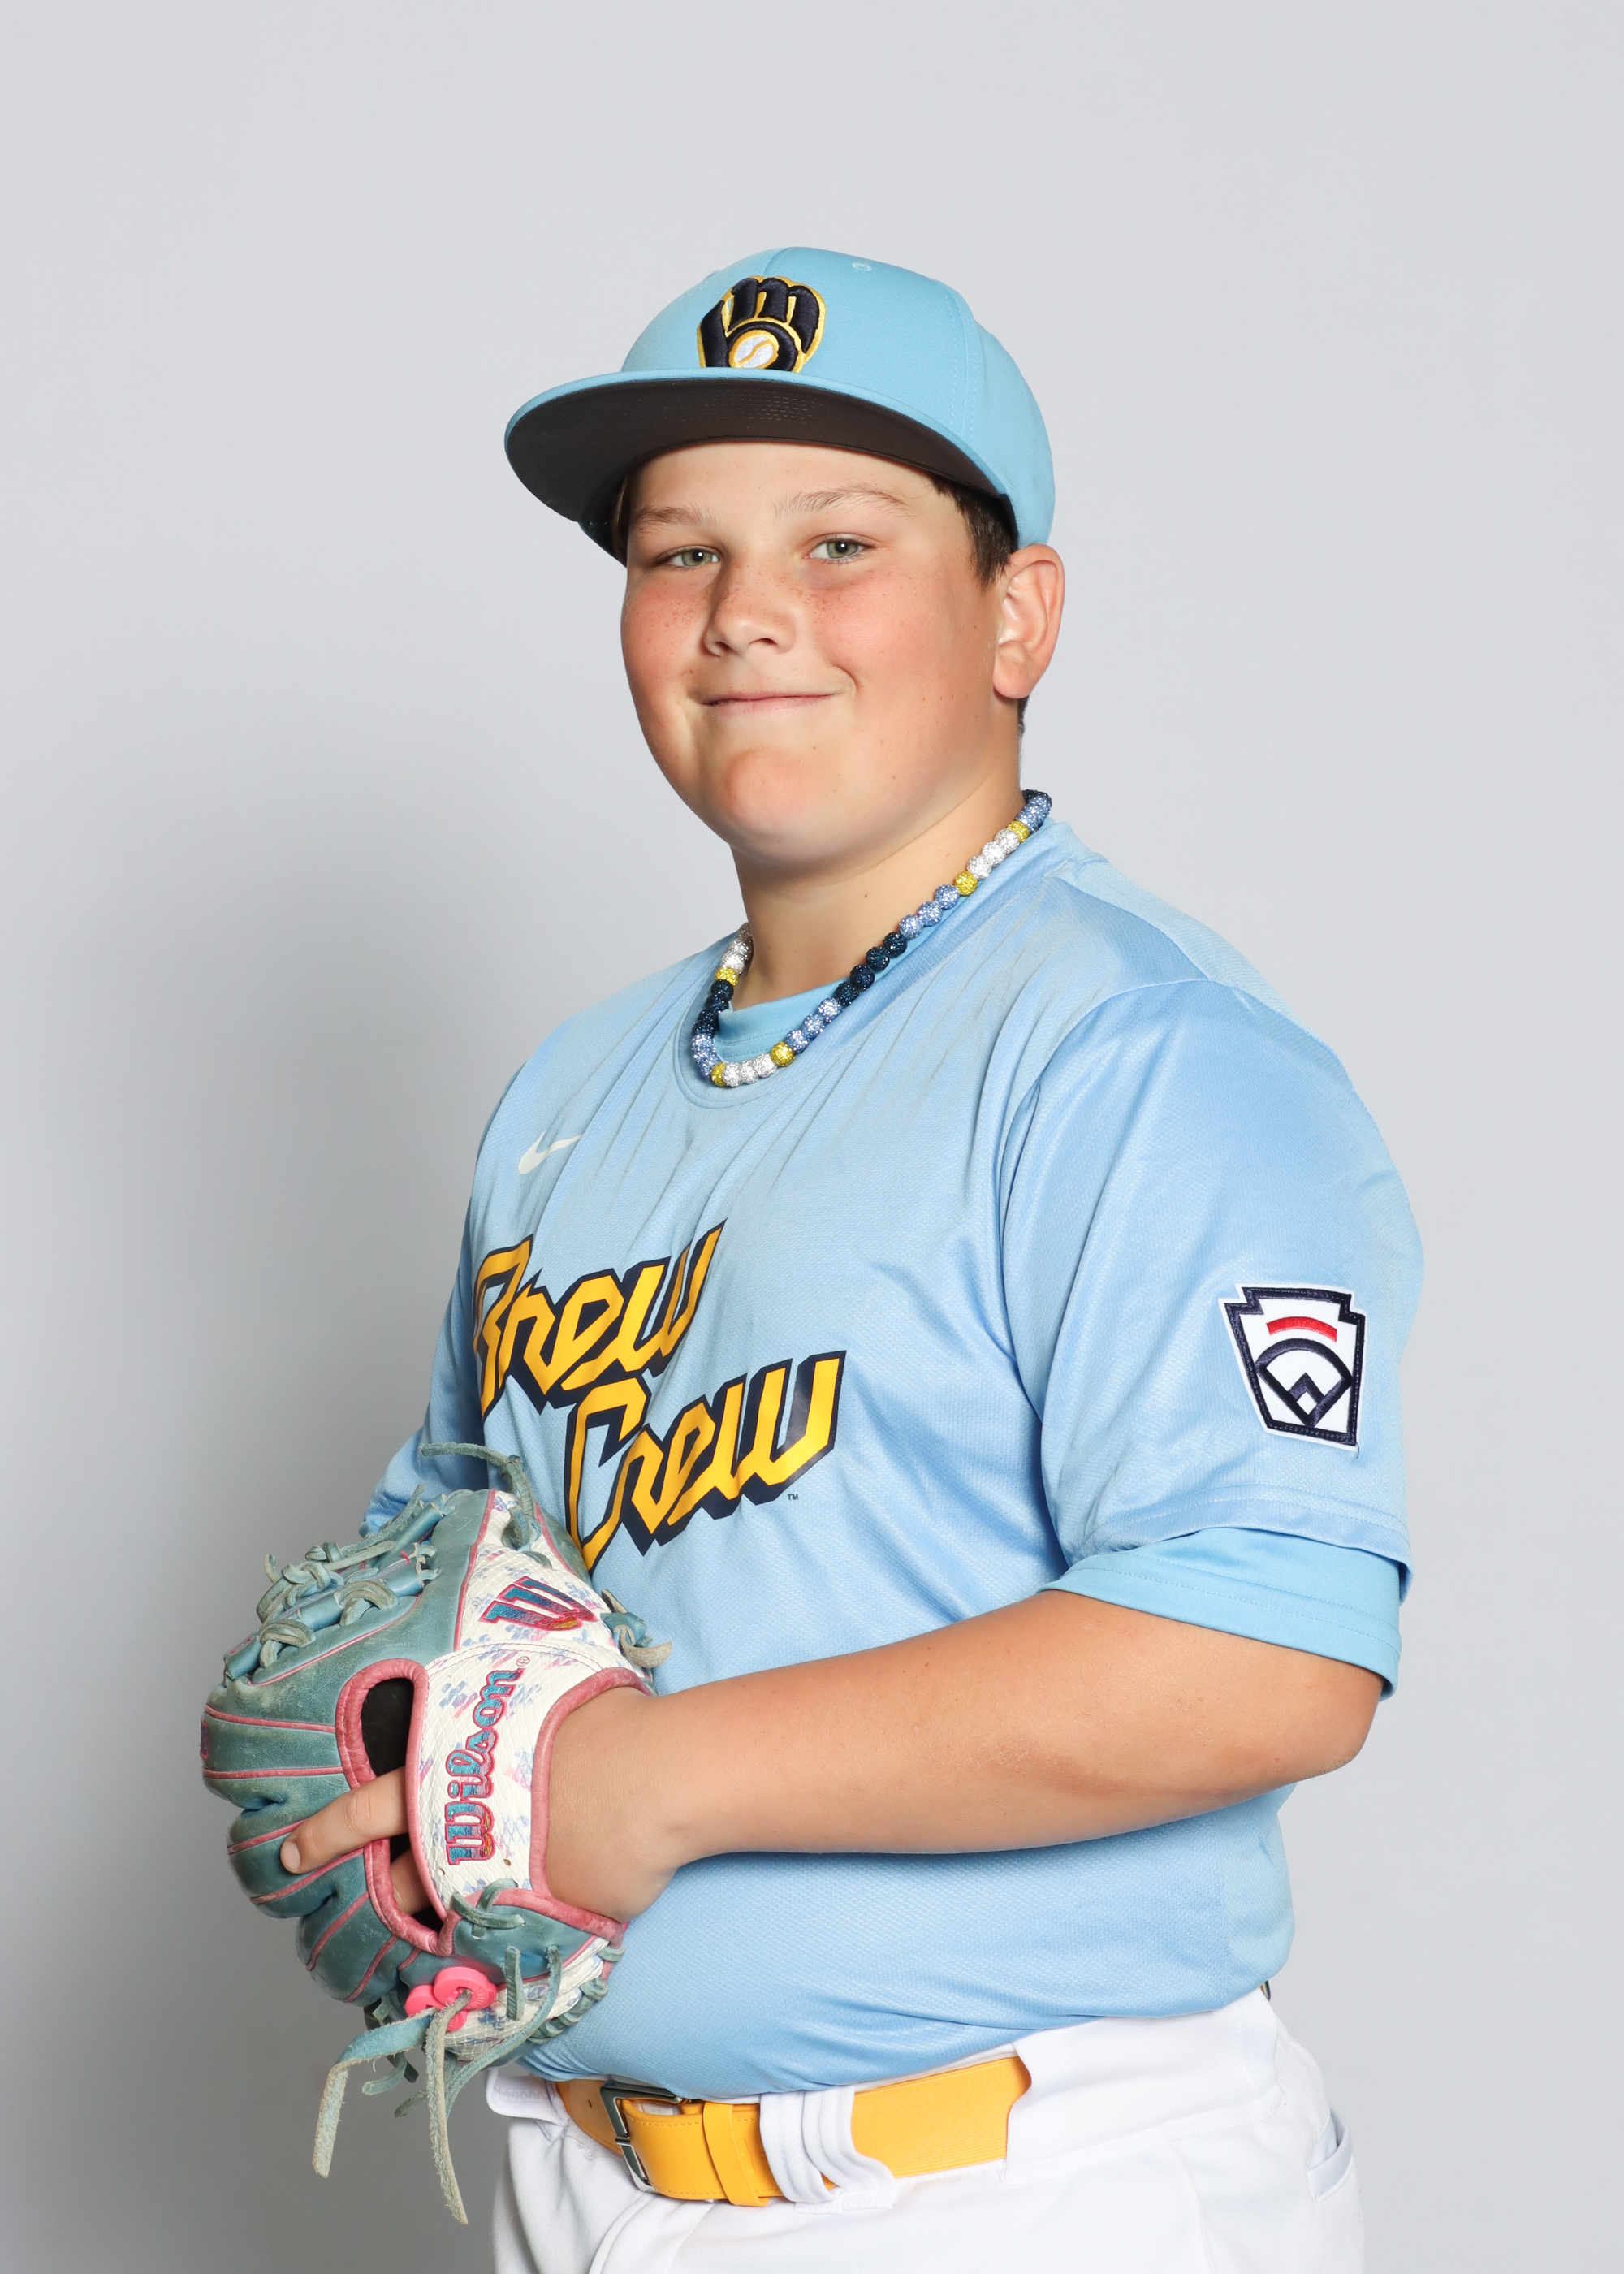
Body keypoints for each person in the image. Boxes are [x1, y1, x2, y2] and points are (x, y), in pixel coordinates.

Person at [281, 249, 1418, 2271]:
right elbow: (452, 1574)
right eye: (680, 552)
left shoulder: (1140, 1051)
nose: (745, 612)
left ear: (1017, 613)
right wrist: (403, 1767)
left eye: (839, 539)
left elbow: (1263, 1651)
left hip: (1020, 2189)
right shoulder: (570, 1088)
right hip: (586, 2181)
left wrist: (637, 1780)